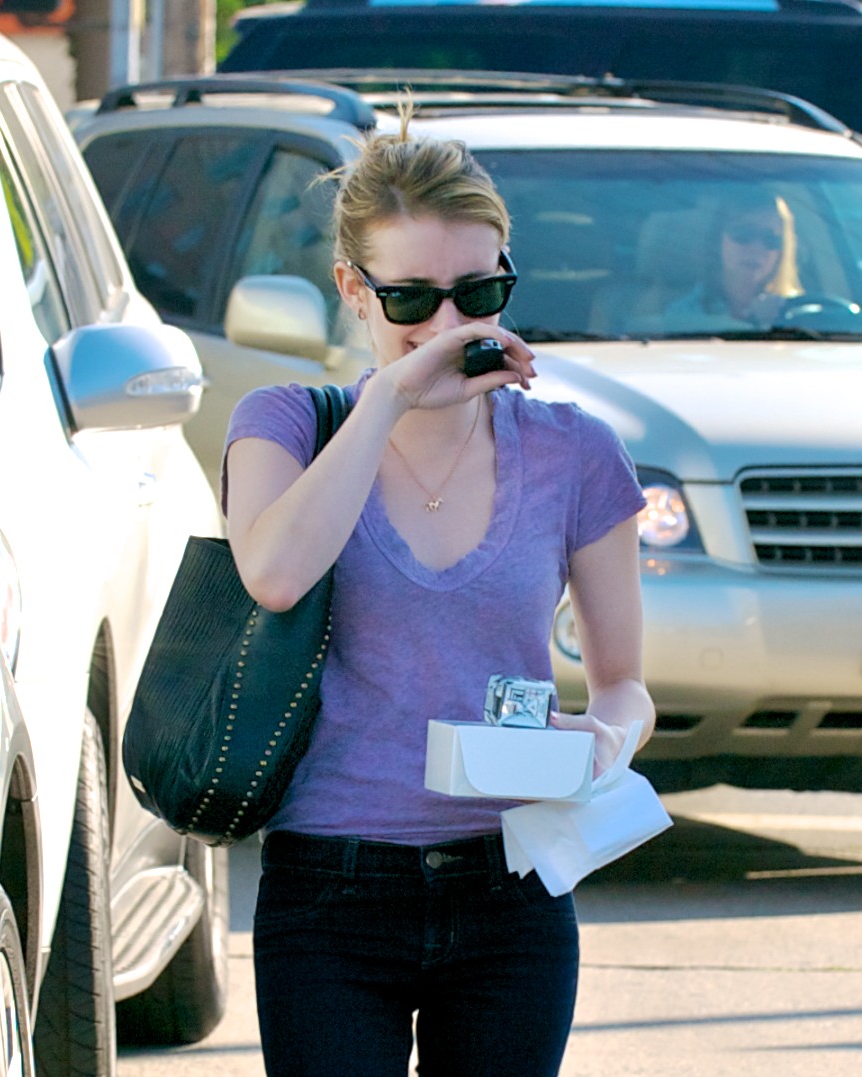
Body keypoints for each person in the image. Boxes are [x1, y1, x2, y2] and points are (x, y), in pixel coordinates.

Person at [222, 102, 656, 1077]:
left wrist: (607, 739)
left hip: (513, 887)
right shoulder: (283, 424)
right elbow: (276, 575)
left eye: (479, 292)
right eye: (412, 299)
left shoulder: (575, 450)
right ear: (353, 290)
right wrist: (387, 398)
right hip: (330, 889)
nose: (449, 325)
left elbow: (624, 682)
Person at [664, 190, 803, 332]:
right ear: (717, 240)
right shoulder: (685, 316)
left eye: (771, 239)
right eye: (744, 233)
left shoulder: (800, 314)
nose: (756, 248)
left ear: (782, 251)